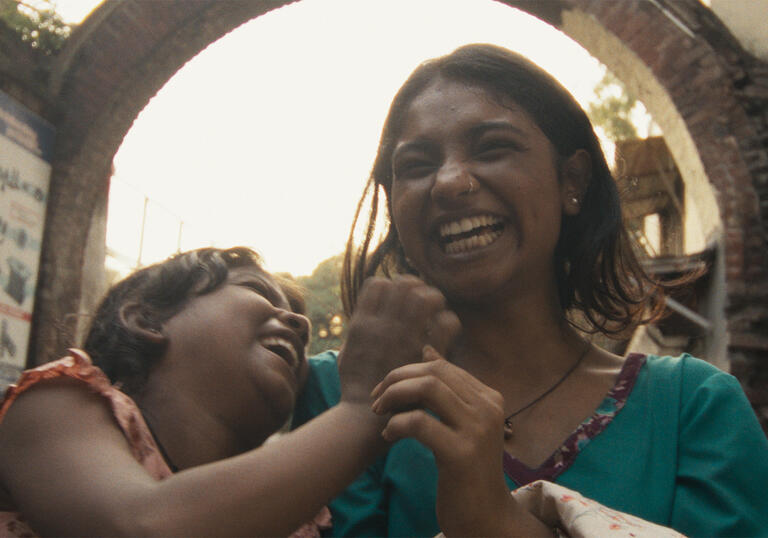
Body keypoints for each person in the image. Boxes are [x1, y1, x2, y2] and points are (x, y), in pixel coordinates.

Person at [293, 44, 768, 537]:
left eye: (493, 147)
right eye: (416, 164)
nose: (450, 181)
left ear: (572, 181)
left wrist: (493, 521)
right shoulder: (338, 397)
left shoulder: (693, 408)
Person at [0, 246, 459, 537]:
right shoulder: (61, 401)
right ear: (146, 319)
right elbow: (138, 527)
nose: (300, 325)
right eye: (258, 291)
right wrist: (361, 412)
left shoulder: (298, 520)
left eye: (297, 318)